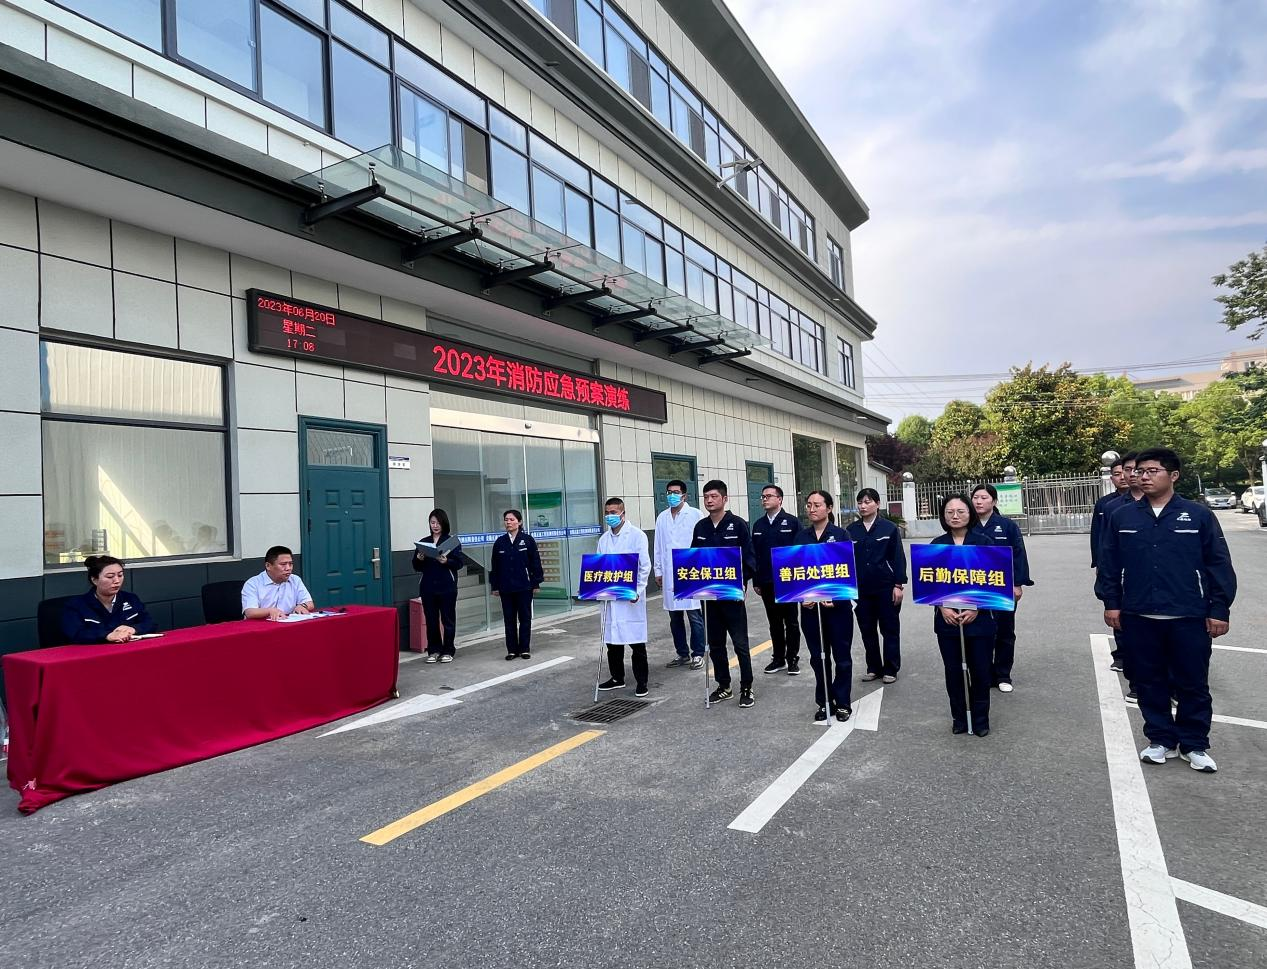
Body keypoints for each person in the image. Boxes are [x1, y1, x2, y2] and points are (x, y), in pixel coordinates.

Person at [1096, 448, 1236, 773]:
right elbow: (1109, 563)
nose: (1143, 477)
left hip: (1189, 615)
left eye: (1152, 471)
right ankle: (1160, 740)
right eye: (1140, 471)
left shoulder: (1197, 515)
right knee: (1149, 681)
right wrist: (1111, 603)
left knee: (1193, 683)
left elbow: (1218, 563)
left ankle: (1194, 744)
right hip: (1139, 615)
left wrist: (1219, 608)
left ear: (1173, 475)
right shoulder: (1123, 516)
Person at [932, 495, 997, 736]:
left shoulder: (984, 543)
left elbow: (995, 581)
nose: (955, 516)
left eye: (960, 511)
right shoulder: (937, 545)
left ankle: (980, 720)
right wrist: (942, 607)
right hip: (947, 620)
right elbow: (929, 582)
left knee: (980, 671)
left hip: (979, 620)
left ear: (970, 513)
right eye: (950, 512)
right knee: (954, 672)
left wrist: (976, 607)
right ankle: (959, 717)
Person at [691, 479, 758, 707]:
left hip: (732, 595)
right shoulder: (701, 527)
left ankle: (747, 686)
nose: (709, 501)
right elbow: (693, 559)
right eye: (706, 497)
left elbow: (749, 558)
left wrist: (742, 582)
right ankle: (724, 685)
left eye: (714, 496)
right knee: (716, 644)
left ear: (725, 499)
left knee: (740, 644)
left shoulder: (738, 525)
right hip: (709, 597)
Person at [795, 491, 854, 722]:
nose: (812, 509)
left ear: (829, 508)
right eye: (809, 505)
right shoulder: (801, 537)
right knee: (818, 657)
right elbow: (793, 573)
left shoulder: (840, 535)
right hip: (810, 609)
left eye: (817, 505)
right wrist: (801, 597)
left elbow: (849, 571)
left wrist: (836, 597)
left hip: (837, 609)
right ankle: (825, 701)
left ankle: (843, 702)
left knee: (842, 657)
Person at [970, 483, 1033, 692]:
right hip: (976, 587)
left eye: (984, 498)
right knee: (980, 631)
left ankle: (1003, 674)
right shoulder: (967, 524)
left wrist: (1017, 584)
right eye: (976, 497)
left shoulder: (1007, 526)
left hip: (1003, 586)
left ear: (994, 501)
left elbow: (1019, 555)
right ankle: (984, 674)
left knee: (1005, 630)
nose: (979, 502)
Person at [846, 488, 907, 683]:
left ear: (877, 504)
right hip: (861, 589)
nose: (863, 506)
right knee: (867, 629)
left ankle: (891, 668)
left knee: (889, 629)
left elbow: (898, 557)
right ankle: (873, 667)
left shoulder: (889, 528)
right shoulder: (851, 530)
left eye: (867, 502)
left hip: (885, 586)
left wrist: (898, 585)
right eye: (860, 502)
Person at [595, 498, 653, 696]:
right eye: (607, 512)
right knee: (612, 642)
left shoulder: (637, 535)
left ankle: (642, 682)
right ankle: (617, 678)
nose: (610, 516)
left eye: (613, 512)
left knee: (636, 643)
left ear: (622, 513)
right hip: (611, 598)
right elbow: (599, 567)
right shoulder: (603, 539)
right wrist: (595, 588)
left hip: (630, 599)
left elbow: (644, 566)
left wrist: (638, 589)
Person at [654, 480, 707, 670]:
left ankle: (698, 653)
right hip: (669, 572)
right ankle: (682, 653)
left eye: (675, 492)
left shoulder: (695, 515)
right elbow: (658, 546)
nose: (672, 495)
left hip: (690, 572)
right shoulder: (662, 517)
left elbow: (702, 544)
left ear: (684, 495)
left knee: (694, 615)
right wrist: (658, 570)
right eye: (669, 492)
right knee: (674, 617)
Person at [751, 483, 803, 675]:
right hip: (766, 581)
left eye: (769, 496)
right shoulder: (758, 525)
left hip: (789, 581)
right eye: (763, 496)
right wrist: (756, 580)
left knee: (791, 622)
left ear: (779, 499)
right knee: (774, 623)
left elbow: (801, 552)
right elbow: (754, 555)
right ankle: (778, 658)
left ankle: (792, 658)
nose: (765, 499)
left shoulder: (792, 522)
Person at [1090, 456, 1131, 674]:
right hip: (1114, 566)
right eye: (1117, 474)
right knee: (1117, 608)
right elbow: (1098, 536)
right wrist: (1098, 562)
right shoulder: (1106, 505)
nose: (1123, 477)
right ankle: (1123, 654)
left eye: (1127, 471)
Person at [61, 555, 157, 644]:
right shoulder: (76, 605)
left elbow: (150, 623)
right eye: (110, 576)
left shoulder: (131, 599)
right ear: (94, 580)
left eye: (120, 575)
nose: (117, 581)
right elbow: (76, 633)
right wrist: (107, 635)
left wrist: (133, 629)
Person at [490, 509, 543, 660]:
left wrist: (536, 583)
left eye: (512, 519)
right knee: (509, 619)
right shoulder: (500, 542)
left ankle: (524, 648)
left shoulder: (527, 540)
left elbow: (535, 562)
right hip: (506, 587)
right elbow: (495, 566)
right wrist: (495, 586)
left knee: (525, 618)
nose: (508, 522)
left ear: (519, 522)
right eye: (506, 520)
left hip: (524, 586)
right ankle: (512, 650)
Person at [413, 509, 464, 663]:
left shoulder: (451, 542)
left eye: (438, 523)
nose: (435, 526)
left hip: (447, 586)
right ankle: (434, 650)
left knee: (448, 619)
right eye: (432, 522)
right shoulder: (424, 542)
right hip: (428, 587)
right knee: (431, 620)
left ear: (444, 523)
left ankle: (448, 650)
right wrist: (419, 558)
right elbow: (416, 566)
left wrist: (446, 561)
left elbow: (459, 563)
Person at [242, 546, 315, 620]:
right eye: (283, 564)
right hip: (261, 625)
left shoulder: (295, 580)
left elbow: (309, 602)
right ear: (268, 566)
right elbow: (249, 612)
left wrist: (302, 606)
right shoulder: (253, 583)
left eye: (290, 564)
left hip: (288, 622)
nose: (288, 568)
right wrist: (270, 611)